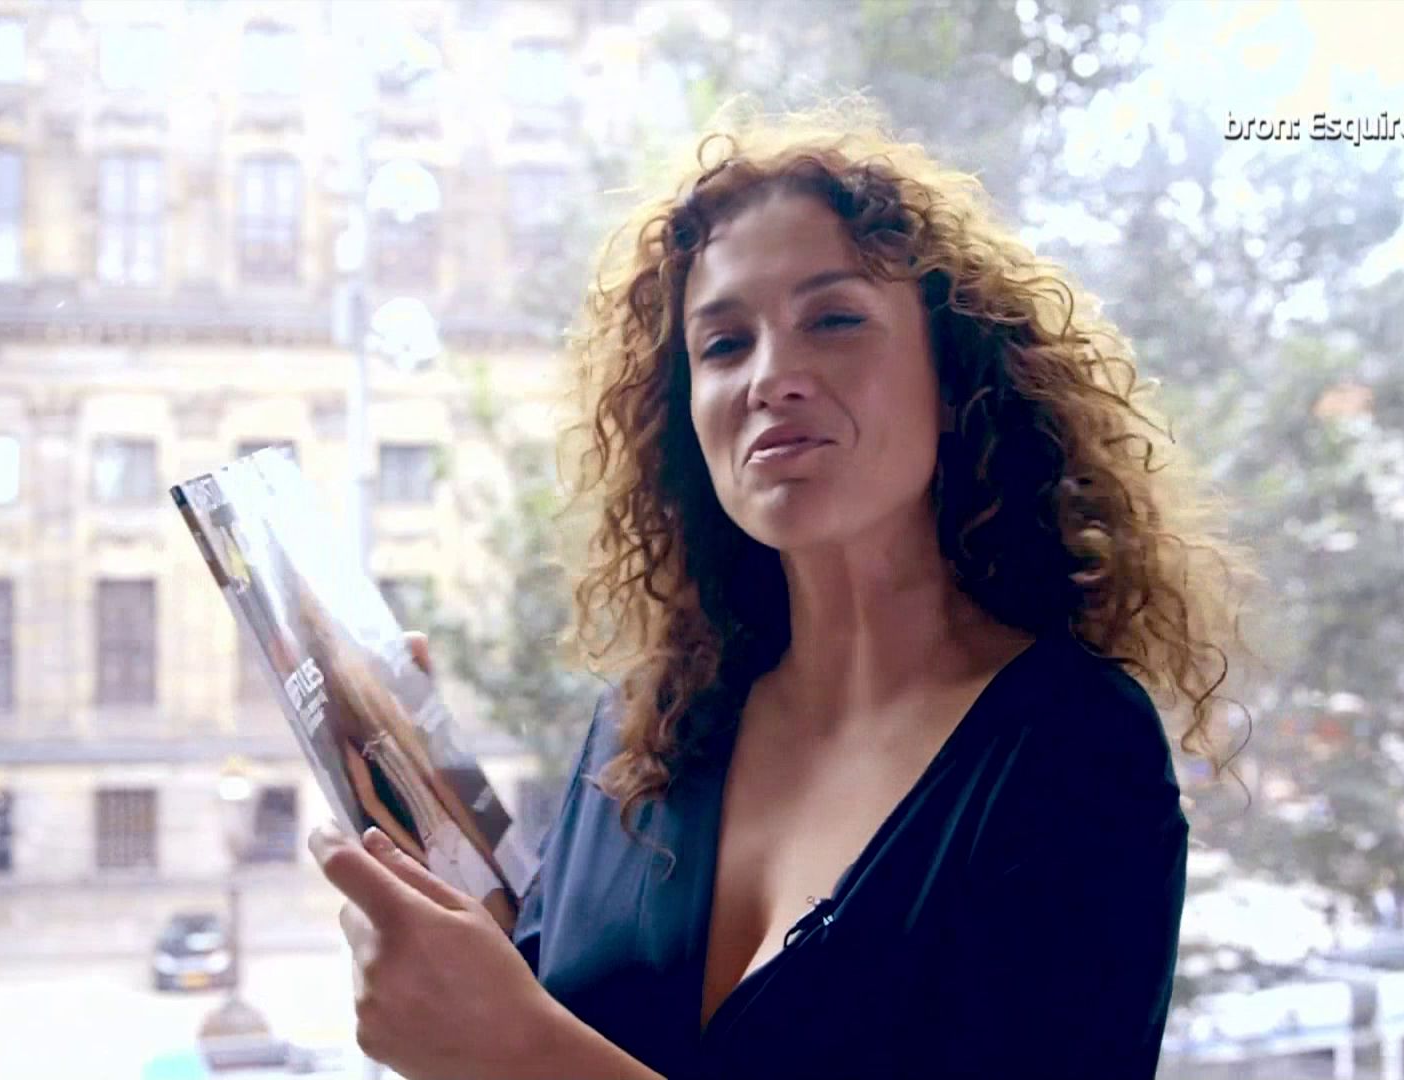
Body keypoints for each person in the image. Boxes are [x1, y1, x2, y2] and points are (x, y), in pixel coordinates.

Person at [310, 98, 1252, 1080]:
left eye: (834, 320)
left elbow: (529, 1048)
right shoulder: (646, 731)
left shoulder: (1072, 747)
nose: (772, 376)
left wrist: (517, 1053)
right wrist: (434, 849)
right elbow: (534, 999)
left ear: (955, 377)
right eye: (723, 344)